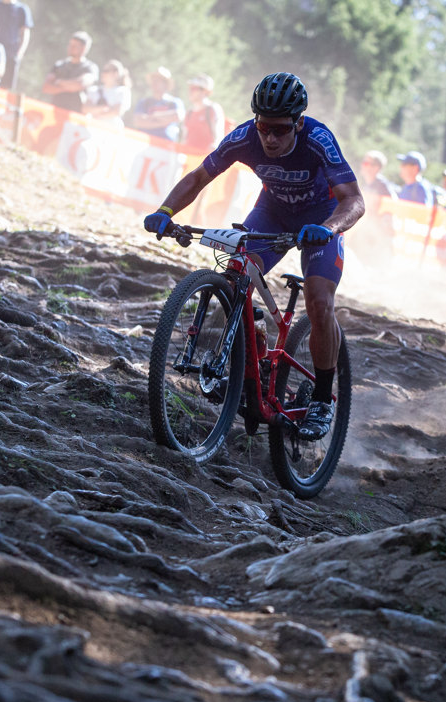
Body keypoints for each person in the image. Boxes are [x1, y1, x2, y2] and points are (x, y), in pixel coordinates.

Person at [142, 73, 365, 440]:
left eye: (280, 129)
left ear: (298, 122)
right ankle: (252, 359)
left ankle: (323, 400)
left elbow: (354, 200)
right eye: (264, 127)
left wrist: (328, 228)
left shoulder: (318, 139)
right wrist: (166, 211)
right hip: (272, 213)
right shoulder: (245, 137)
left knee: (319, 301)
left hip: (321, 219)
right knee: (235, 272)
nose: (270, 138)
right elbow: (199, 178)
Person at [41, 32, 98, 114]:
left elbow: (80, 84)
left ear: (83, 48)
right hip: (55, 112)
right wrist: (70, 88)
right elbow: (46, 87)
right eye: (70, 44)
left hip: (76, 116)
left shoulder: (90, 67)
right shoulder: (59, 65)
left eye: (75, 46)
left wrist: (58, 82)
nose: (70, 48)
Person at [0, 0, 32, 91]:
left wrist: (20, 53)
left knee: (5, 87)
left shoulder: (22, 9)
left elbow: (25, 32)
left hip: (10, 54)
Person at [133, 67, 185, 142]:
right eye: (153, 80)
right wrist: (165, 121)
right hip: (144, 143)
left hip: (166, 146)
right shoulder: (144, 102)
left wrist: (153, 116)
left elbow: (178, 116)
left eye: (158, 80)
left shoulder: (174, 102)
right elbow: (138, 121)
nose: (154, 83)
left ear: (166, 84)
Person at [183, 74, 225, 151]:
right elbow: (185, 138)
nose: (190, 91)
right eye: (190, 88)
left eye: (194, 88)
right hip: (190, 158)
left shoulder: (212, 109)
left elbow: (219, 137)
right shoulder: (189, 112)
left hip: (206, 159)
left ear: (205, 91)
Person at [86, 60, 130, 126]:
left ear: (116, 74)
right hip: (92, 129)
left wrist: (95, 112)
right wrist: (103, 108)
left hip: (112, 131)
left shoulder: (123, 91)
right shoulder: (93, 90)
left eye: (106, 71)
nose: (102, 73)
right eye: (103, 71)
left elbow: (116, 112)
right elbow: (85, 109)